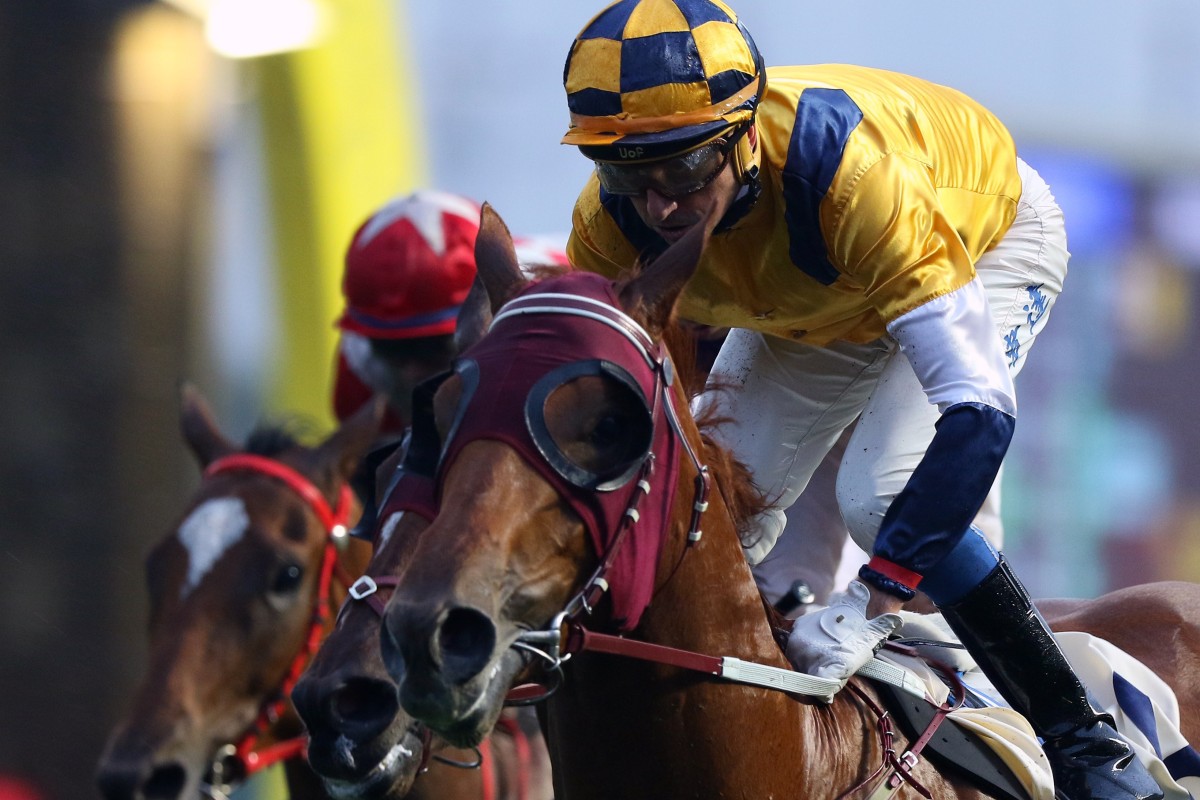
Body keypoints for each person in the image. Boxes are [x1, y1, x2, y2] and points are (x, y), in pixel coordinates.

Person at [557, 2, 1159, 799]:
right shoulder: (605, 227)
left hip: (984, 242)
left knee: (879, 499)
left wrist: (874, 598)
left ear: (742, 136)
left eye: (684, 168)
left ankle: (1083, 741)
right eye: (630, 173)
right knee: (703, 502)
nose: (661, 205)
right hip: (823, 293)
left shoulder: (846, 173)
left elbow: (978, 414)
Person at [332, 189, 569, 533]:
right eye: (393, 351)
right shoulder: (358, 366)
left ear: (490, 313)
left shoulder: (555, 317)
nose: (413, 371)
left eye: (434, 348)